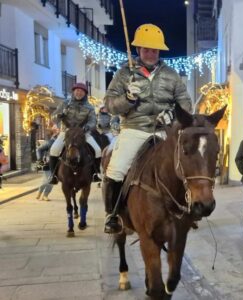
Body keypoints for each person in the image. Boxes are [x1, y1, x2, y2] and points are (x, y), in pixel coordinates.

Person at [103, 23, 192, 234]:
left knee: (187, 164)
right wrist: (127, 99)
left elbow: (186, 103)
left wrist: (172, 114)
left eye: (154, 50)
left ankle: (188, 207)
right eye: (146, 49)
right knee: (116, 168)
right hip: (135, 128)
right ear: (138, 50)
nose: (150, 53)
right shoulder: (124, 73)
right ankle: (113, 215)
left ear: (159, 51)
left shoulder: (171, 74)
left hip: (164, 130)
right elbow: (109, 104)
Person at [48, 82, 101, 184]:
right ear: (73, 92)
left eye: (81, 91)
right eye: (77, 90)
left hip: (82, 133)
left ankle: (96, 173)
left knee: (98, 150)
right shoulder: (65, 103)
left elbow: (93, 121)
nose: (79, 93)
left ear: (85, 94)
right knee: (54, 150)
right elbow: (53, 118)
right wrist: (60, 114)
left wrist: (87, 127)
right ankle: (53, 175)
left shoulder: (90, 107)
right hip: (66, 132)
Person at [36, 126, 59, 201]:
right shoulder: (50, 142)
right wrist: (40, 160)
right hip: (49, 163)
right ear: (53, 134)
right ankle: (40, 192)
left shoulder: (61, 142)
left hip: (57, 164)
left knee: (52, 181)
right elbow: (39, 149)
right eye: (56, 131)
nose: (58, 132)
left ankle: (45, 195)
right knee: (46, 180)